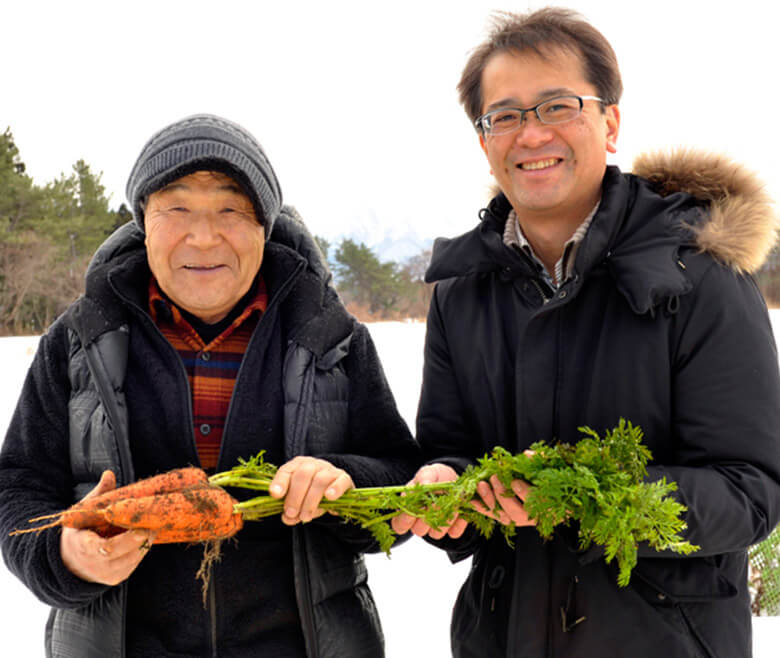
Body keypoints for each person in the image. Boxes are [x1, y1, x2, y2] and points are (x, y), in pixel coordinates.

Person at [392, 7, 780, 657]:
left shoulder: (699, 278)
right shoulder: (462, 293)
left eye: (556, 106)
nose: (531, 134)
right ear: (485, 141)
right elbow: (453, 451)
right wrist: (444, 491)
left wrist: (582, 498)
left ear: (610, 123)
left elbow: (750, 492)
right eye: (505, 115)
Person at [0, 113, 421, 657]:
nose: (203, 236)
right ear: (144, 223)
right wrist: (64, 556)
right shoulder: (80, 339)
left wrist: (343, 481)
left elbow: (401, 479)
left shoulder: (330, 337)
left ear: (264, 228)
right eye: (176, 208)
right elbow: (18, 487)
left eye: (230, 209)